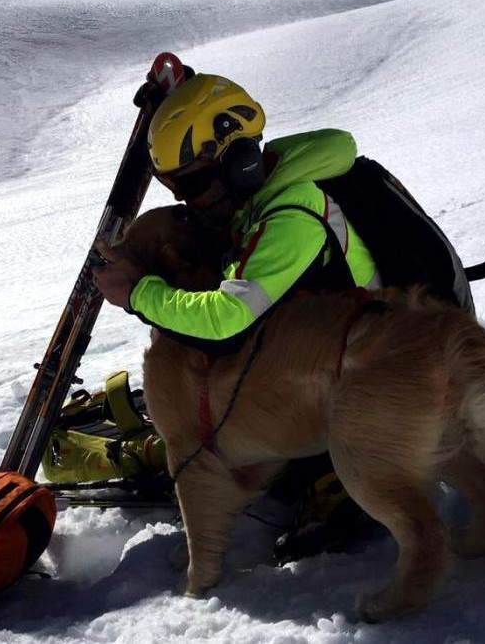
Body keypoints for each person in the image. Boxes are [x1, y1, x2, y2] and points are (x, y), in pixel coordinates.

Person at [91, 71, 382, 560]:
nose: (187, 198)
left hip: (365, 380)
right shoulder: (259, 194)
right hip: (315, 356)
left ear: (241, 160)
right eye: (174, 186)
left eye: (196, 182)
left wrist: (139, 294)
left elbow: (228, 321)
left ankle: (334, 476)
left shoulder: (291, 214)